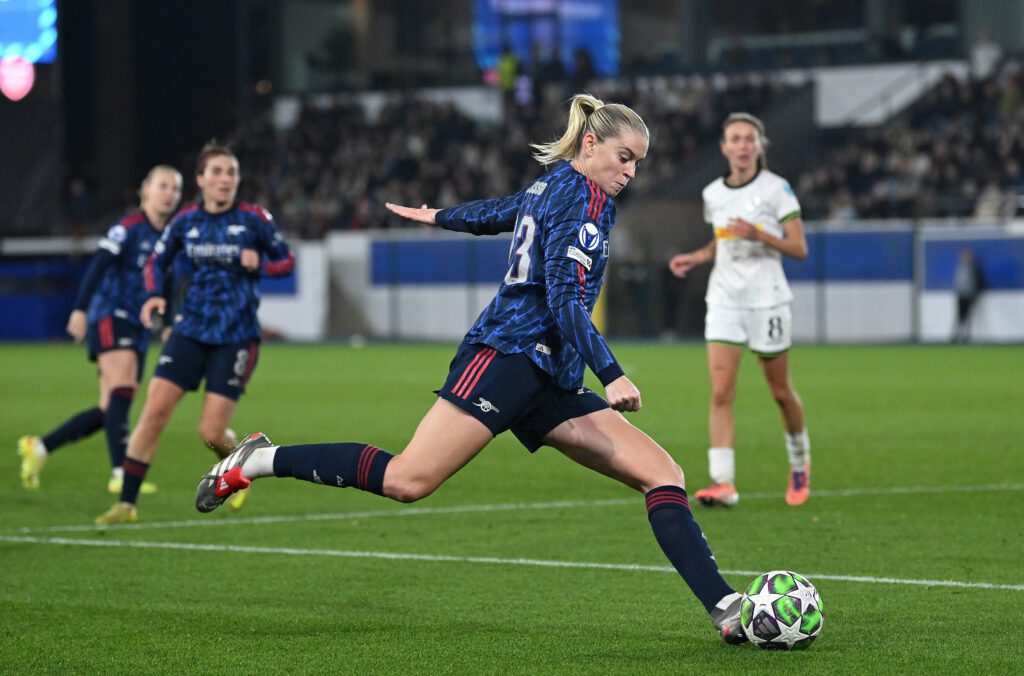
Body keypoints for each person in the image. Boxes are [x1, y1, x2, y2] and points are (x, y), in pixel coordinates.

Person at [194, 95, 749, 645]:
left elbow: (501, 212)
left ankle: (724, 607)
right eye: (624, 156)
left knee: (663, 473)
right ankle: (258, 459)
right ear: (590, 143)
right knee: (408, 480)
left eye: (638, 162)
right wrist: (612, 372)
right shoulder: (580, 200)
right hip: (505, 357)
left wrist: (439, 215)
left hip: (551, 376)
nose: (630, 171)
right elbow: (562, 297)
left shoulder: (554, 185)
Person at [94, 142, 295, 525]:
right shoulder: (185, 221)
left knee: (210, 431)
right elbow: (157, 261)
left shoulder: (254, 219)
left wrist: (261, 267)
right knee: (153, 412)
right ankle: (126, 504)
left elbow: (286, 260)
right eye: (217, 172)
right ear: (201, 179)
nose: (225, 180)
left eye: (231, 173)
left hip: (236, 336)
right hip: (189, 330)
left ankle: (237, 472)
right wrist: (154, 296)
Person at [668, 112, 811, 508]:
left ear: (760, 146)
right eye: (736, 138)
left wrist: (760, 234)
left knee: (780, 392)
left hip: (768, 299)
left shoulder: (776, 189)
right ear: (725, 147)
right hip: (725, 299)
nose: (743, 145)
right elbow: (721, 242)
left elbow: (799, 248)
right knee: (720, 392)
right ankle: (723, 483)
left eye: (750, 138)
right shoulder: (713, 193)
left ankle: (799, 463)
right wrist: (696, 257)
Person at [18, 166, 183, 493]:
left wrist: (167, 323)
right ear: (145, 190)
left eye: (176, 189)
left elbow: (168, 283)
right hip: (110, 313)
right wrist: (80, 308)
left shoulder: (170, 237)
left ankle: (40, 448)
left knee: (111, 407)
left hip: (138, 324)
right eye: (163, 186)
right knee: (123, 389)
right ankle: (122, 472)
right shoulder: (129, 227)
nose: (169, 194)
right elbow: (99, 264)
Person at [952, 248, 984, 343]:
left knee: (967, 316)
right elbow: (958, 281)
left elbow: (978, 281)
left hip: (969, 294)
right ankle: (957, 334)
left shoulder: (974, 268)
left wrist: (976, 293)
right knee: (959, 315)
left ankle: (965, 336)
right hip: (960, 294)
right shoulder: (960, 267)